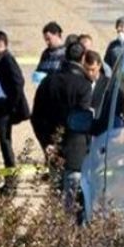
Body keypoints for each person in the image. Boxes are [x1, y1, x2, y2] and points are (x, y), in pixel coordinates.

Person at [31, 42, 92, 214]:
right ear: (82, 58)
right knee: (73, 205)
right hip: (76, 151)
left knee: (55, 201)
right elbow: (84, 118)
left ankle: (56, 236)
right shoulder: (84, 85)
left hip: (53, 148)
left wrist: (46, 143)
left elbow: (36, 116)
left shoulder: (48, 82)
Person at [0, 31, 30, 175]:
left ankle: (11, 179)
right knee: (4, 142)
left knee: (5, 143)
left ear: (0, 44)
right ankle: (9, 176)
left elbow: (19, 82)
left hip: (5, 108)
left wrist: (12, 105)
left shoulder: (7, 60)